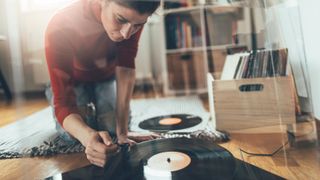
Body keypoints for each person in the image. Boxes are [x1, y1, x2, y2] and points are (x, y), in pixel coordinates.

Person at [45, 0, 160, 167]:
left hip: (106, 77)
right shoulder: (60, 24)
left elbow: (126, 68)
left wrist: (122, 132)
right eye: (120, 19)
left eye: (138, 25)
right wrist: (87, 137)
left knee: (113, 129)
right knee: (73, 135)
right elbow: (64, 104)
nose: (127, 34)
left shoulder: (133, 18)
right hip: (73, 82)